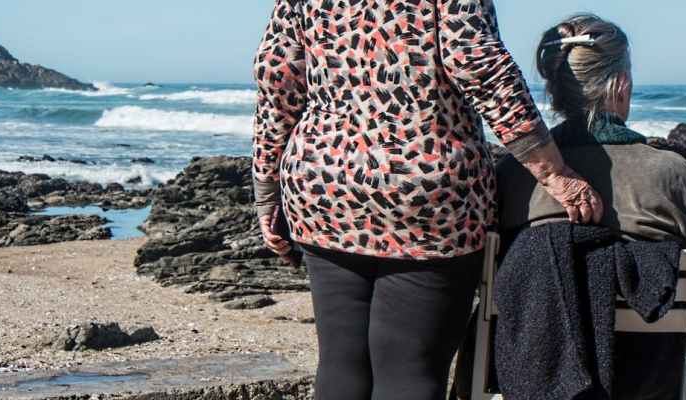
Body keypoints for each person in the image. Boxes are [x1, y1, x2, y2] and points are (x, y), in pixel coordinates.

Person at [252, 1, 605, 399]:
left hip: (326, 186)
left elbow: (277, 75)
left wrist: (267, 189)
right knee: (410, 369)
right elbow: (478, 64)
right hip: (428, 192)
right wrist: (553, 171)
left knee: (341, 363)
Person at [494, 14, 686, 400]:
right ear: (621, 84)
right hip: (656, 377)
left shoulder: (512, 174)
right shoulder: (670, 173)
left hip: (528, 372)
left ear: (555, 90)